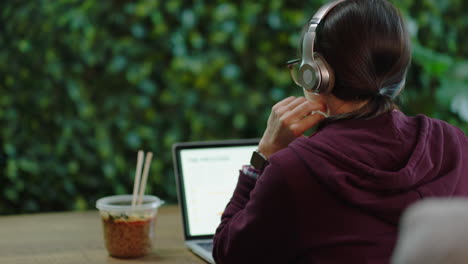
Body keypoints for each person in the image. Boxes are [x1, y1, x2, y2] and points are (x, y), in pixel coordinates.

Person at [212, 0, 468, 263]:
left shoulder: (294, 169)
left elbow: (229, 252)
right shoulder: (454, 144)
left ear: (315, 73)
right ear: (398, 75)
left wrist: (263, 155)